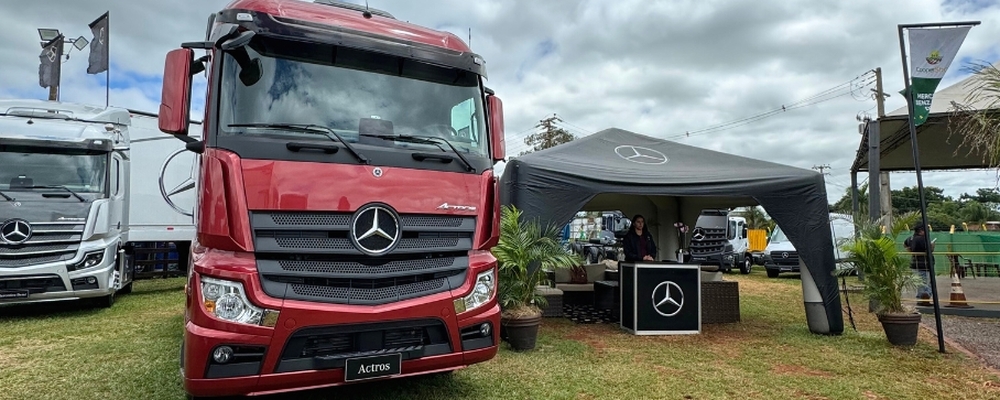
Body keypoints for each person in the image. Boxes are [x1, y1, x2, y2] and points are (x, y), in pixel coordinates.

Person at [904, 223, 935, 307]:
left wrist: (911, 252)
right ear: (921, 231)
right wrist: (932, 246)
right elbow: (929, 250)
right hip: (924, 264)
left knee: (920, 283)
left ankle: (921, 299)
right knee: (926, 282)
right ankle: (925, 298)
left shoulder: (911, 238)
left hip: (915, 263)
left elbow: (905, 244)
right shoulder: (922, 239)